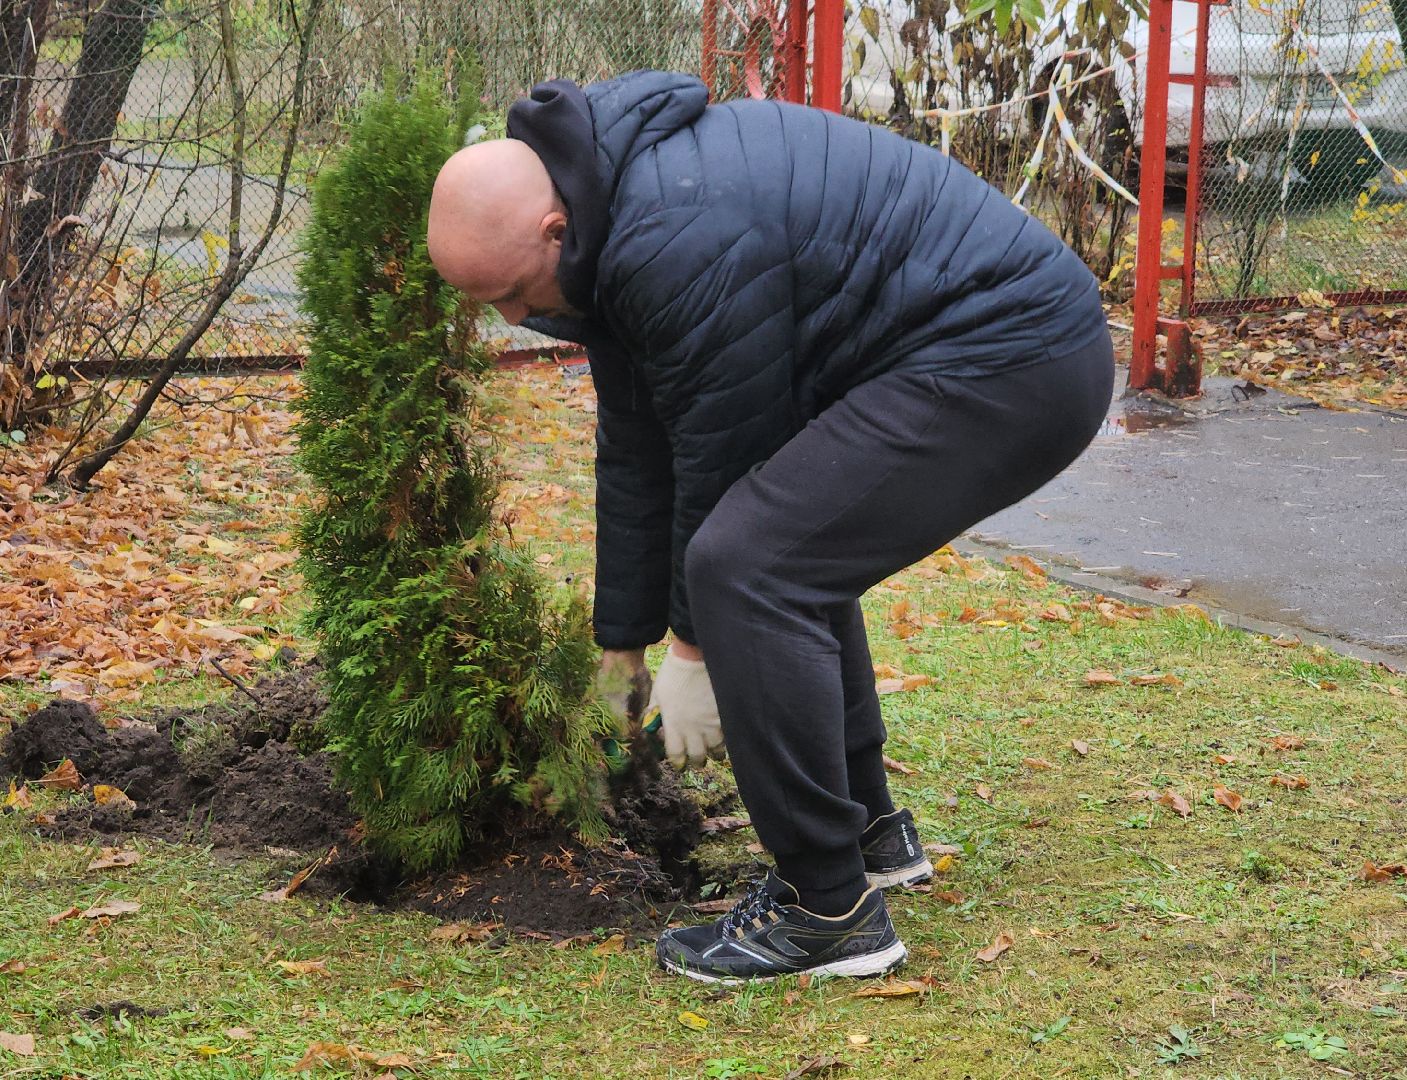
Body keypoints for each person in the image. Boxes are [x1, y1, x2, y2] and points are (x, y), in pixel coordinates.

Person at [426, 70, 1114, 984]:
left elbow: (720, 462)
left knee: (752, 566)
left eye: (513, 293)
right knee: (788, 549)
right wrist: (621, 649)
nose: (515, 319)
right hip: (968, 351)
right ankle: (867, 835)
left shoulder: (673, 235)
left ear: (554, 230)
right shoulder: (608, 210)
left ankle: (826, 910)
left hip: (1011, 360)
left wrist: (696, 652)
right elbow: (639, 446)